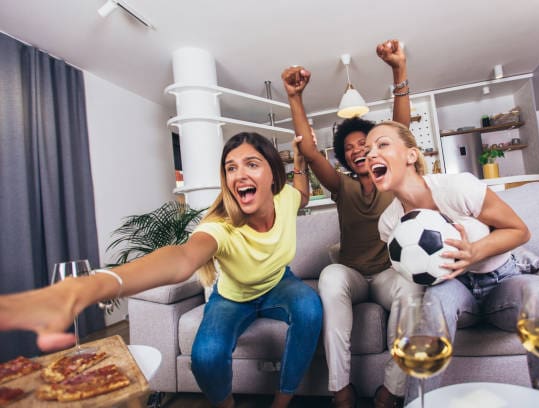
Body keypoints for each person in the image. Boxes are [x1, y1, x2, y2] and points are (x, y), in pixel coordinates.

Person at [0, 132, 323, 408]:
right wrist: (99, 283)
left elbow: (303, 193)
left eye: (252, 164)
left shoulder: (286, 200)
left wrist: (299, 162)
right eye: (230, 168)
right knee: (206, 356)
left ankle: (283, 400)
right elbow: (182, 258)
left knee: (310, 307)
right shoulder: (220, 227)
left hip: (279, 283)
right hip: (232, 297)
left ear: (272, 176)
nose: (239, 175)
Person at [364, 120, 539, 402]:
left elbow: (519, 230)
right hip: (455, 291)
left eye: (382, 144)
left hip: (503, 280)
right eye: (367, 151)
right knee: (433, 303)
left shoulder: (457, 187)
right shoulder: (389, 223)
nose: (370, 155)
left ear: (411, 155)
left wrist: (474, 252)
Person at [281, 39, 421, 408]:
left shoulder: (391, 178)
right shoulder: (341, 186)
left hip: (389, 275)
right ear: (344, 158)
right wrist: (295, 98)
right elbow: (310, 152)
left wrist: (398, 70)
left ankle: (390, 391)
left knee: (413, 291)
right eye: (350, 148)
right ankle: (340, 390)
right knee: (329, 277)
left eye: (366, 144)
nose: (359, 150)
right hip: (355, 277)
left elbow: (400, 127)